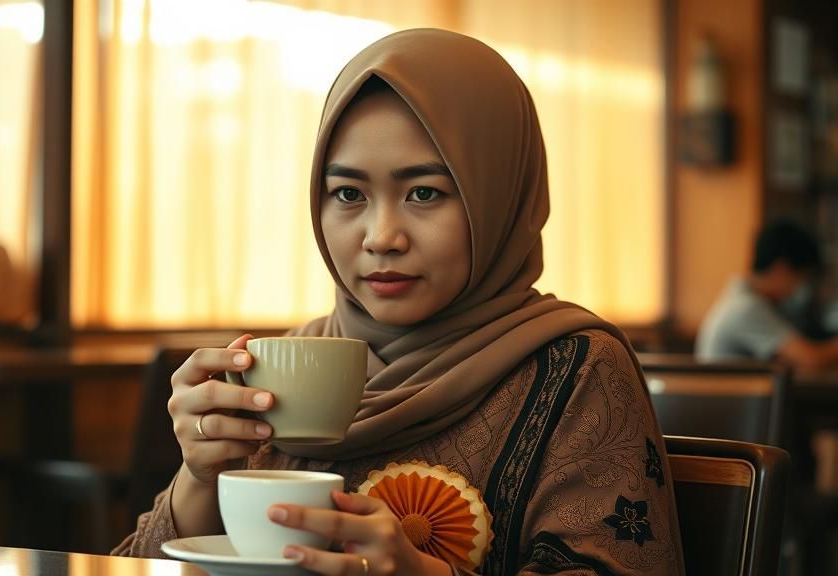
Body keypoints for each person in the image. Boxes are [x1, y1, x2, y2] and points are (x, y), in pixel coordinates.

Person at [113, 29, 682, 575]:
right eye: (348, 194)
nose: (382, 236)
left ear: (500, 198)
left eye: (424, 192)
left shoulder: (575, 368)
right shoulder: (292, 362)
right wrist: (201, 475)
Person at [697, 219, 838, 374]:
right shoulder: (746, 308)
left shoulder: (747, 301)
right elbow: (811, 360)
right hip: (728, 397)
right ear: (781, 269)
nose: (802, 288)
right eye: (802, 279)